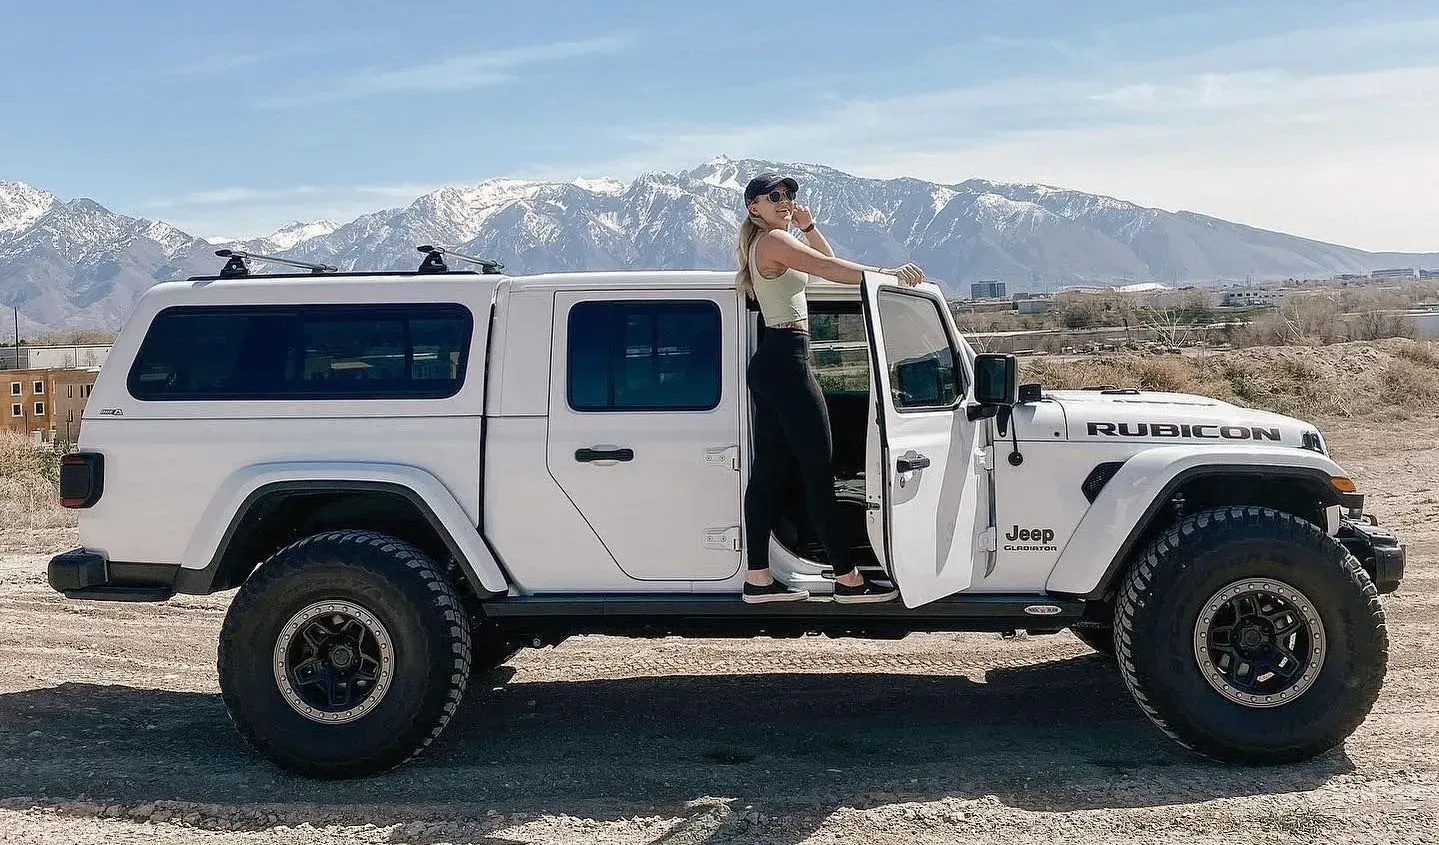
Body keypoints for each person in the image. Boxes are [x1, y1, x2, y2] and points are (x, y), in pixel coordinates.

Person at [736, 172, 926, 604]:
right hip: (788, 360)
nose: (785, 200)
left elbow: (824, 261)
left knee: (769, 471)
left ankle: (759, 580)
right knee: (820, 472)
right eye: (775, 196)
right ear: (755, 208)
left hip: (775, 361)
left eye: (789, 195)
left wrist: (808, 225)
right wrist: (886, 274)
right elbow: (828, 269)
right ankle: (848, 579)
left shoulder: (779, 241)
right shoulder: (773, 241)